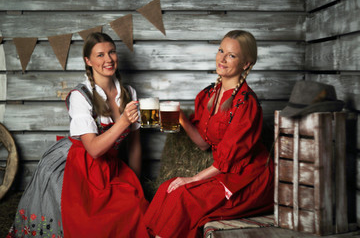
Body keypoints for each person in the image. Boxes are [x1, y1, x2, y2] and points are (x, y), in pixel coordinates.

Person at [8, 32, 149, 238]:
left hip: (110, 164)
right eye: (100, 55)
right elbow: (93, 149)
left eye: (111, 52)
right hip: (78, 163)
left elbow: (135, 145)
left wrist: (136, 183)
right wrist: (123, 122)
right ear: (88, 61)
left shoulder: (128, 93)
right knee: (88, 224)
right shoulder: (80, 96)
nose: (108, 59)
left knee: (137, 208)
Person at [144, 30, 274, 238]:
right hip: (224, 172)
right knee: (167, 188)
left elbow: (227, 160)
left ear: (246, 64)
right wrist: (182, 119)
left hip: (249, 178)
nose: (222, 58)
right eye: (221, 50)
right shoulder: (209, 94)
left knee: (183, 196)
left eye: (231, 55)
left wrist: (192, 179)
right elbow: (204, 143)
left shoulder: (246, 103)